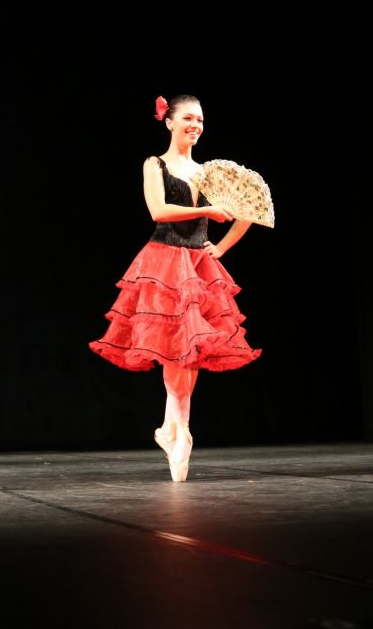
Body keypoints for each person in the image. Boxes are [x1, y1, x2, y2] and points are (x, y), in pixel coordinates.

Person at [88, 94, 262, 482]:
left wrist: (220, 247)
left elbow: (248, 209)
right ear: (169, 121)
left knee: (191, 349)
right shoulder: (156, 164)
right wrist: (206, 211)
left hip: (198, 263)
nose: (195, 125)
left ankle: (176, 428)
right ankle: (178, 430)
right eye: (188, 118)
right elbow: (158, 211)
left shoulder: (207, 171)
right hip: (164, 258)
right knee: (173, 348)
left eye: (200, 119)